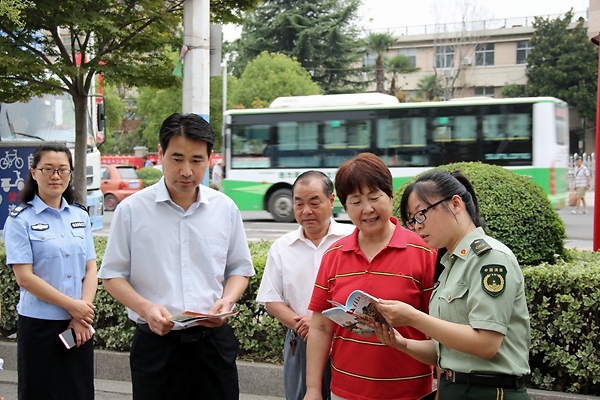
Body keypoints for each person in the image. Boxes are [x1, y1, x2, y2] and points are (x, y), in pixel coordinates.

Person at [98, 113, 255, 400]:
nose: (186, 171)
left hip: (213, 346)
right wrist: (145, 308)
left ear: (209, 159)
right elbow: (112, 275)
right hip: (157, 348)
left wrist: (228, 300)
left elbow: (239, 268)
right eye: (177, 158)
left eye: (196, 160)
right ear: (160, 154)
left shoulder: (225, 208)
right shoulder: (132, 210)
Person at [374, 169, 531, 400]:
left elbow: (486, 344)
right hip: (454, 389)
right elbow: (445, 350)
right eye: (412, 219)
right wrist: (402, 343)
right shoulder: (450, 264)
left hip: (489, 392)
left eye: (421, 214)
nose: (416, 226)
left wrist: (413, 317)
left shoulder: (490, 258)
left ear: (456, 204)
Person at [305, 153, 437, 400]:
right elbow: (321, 327)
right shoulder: (333, 254)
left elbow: (440, 328)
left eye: (374, 197)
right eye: (355, 201)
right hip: (345, 392)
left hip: (410, 393)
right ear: (344, 207)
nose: (367, 209)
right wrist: (313, 390)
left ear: (390, 195)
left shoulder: (424, 250)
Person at [3, 143, 97, 400]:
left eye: (62, 170)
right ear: (34, 173)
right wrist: (72, 306)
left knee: (79, 391)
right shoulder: (20, 220)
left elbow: (90, 268)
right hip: (39, 326)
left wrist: (81, 313)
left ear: (70, 173)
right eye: (48, 169)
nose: (56, 176)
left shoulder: (80, 216)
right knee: (39, 392)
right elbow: (25, 278)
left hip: (79, 325)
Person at [256, 170, 354, 400]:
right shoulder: (282, 247)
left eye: (314, 202)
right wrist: (307, 327)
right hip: (300, 341)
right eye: (298, 203)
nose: (306, 211)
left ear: (331, 201)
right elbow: (271, 300)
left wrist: (321, 322)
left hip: (346, 339)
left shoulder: (351, 239)